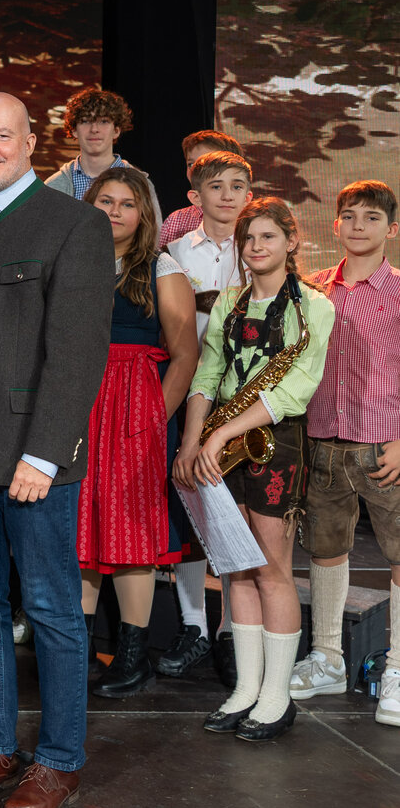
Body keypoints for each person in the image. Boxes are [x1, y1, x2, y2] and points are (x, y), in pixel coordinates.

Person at [0, 92, 115, 808]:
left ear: (32, 142)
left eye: (0, 135)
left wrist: (43, 455)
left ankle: (60, 760)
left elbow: (76, 356)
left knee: (50, 608)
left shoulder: (75, 223)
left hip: (29, 455)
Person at [175, 198, 332, 742]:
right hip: (222, 441)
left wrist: (220, 434)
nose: (257, 247)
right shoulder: (230, 303)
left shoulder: (314, 307)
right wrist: (193, 440)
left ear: (292, 241)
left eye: (268, 236)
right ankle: (245, 688)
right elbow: (206, 373)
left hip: (274, 443)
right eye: (249, 239)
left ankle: (276, 695)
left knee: (271, 569)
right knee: (235, 569)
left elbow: (296, 387)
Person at [76, 169, 198, 698]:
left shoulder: (161, 268)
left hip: (134, 407)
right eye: (106, 200)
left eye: (128, 203)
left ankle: (132, 652)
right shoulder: (70, 261)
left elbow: (186, 352)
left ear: (143, 214)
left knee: (130, 532)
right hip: (77, 402)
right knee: (78, 527)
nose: (116, 211)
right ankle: (75, 648)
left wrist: (153, 418)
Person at [293, 180, 400, 724]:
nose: (359, 226)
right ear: (335, 226)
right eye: (350, 216)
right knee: (325, 549)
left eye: (372, 218)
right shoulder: (313, 289)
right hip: (323, 442)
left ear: (391, 229)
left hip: (383, 444)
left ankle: (399, 669)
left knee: (399, 553)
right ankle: (328, 657)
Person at [159, 149, 254, 686]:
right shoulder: (174, 250)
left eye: (237, 186)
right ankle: (194, 624)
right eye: (216, 186)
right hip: (188, 391)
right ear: (196, 196)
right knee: (191, 506)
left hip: (242, 398)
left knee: (238, 513)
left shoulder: (259, 246)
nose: (227, 195)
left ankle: (231, 631)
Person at [159, 130, 244, 249]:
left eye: (207, 163)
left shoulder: (252, 219)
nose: (195, 171)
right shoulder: (176, 221)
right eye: (191, 164)